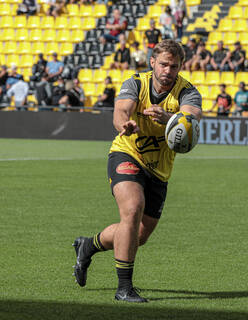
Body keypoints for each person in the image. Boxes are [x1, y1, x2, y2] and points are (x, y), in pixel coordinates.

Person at [72, 39, 202, 303]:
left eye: (174, 66)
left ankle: (88, 245)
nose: (168, 70)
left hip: (160, 170)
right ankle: (124, 289)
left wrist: (171, 119)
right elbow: (121, 110)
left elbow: (192, 117)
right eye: (163, 64)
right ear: (152, 62)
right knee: (133, 208)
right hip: (127, 153)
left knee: (137, 236)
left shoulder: (187, 91)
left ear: (180, 67)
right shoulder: (135, 83)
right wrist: (125, 125)